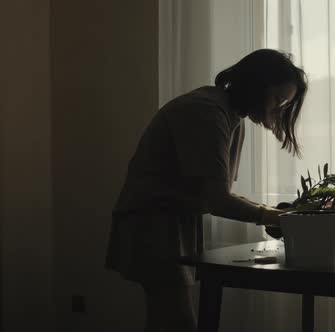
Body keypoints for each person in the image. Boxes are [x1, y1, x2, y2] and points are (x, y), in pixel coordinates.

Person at [105, 49, 308, 332]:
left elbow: (215, 192)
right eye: (277, 99)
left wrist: (274, 214)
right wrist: (277, 218)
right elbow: (218, 200)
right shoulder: (206, 112)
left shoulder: (229, 114)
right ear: (257, 85)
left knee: (166, 319)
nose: (279, 109)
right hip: (152, 222)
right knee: (177, 321)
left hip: (167, 220)